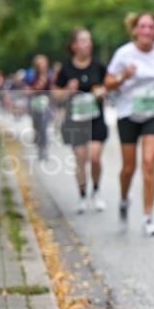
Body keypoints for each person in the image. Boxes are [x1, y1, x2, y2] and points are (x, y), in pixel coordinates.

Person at [104, 12, 154, 236]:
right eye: (142, 26)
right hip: (128, 113)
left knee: (149, 163)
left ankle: (148, 217)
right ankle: (124, 200)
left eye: (151, 27)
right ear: (134, 30)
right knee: (128, 168)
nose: (146, 31)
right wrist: (124, 75)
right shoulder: (123, 53)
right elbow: (108, 82)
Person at [54, 29, 109, 214]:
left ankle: (96, 190)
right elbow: (55, 95)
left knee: (94, 157)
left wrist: (103, 93)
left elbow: (108, 86)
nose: (88, 44)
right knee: (80, 159)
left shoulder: (98, 66)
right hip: (75, 120)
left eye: (89, 40)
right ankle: (82, 195)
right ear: (74, 45)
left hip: (95, 118)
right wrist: (68, 90)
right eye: (84, 41)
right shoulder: (66, 69)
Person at [25, 55, 53, 160]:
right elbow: (28, 87)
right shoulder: (32, 75)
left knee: (43, 128)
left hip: (45, 105)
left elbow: (42, 87)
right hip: (35, 104)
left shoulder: (48, 75)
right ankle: (40, 148)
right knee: (37, 127)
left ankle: (44, 150)